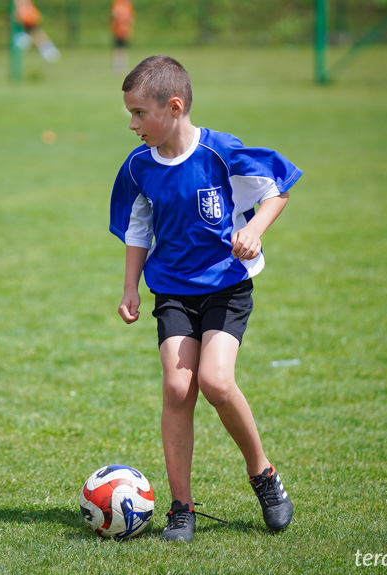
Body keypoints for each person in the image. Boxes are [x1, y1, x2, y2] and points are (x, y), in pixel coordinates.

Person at [109, 55, 302, 542]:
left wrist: (255, 230)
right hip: (172, 291)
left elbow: (276, 189)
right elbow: (137, 228)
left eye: (139, 114)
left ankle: (264, 476)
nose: (132, 124)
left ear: (173, 107)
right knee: (177, 390)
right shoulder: (139, 167)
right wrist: (131, 286)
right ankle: (181, 508)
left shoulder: (219, 153)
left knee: (216, 381)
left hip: (225, 286)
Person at [110, 0, 135, 74]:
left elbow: (131, 17)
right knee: (118, 47)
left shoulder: (127, 4)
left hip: (124, 30)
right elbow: (114, 13)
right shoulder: (118, 3)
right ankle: (117, 63)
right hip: (118, 30)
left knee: (123, 47)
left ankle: (122, 62)